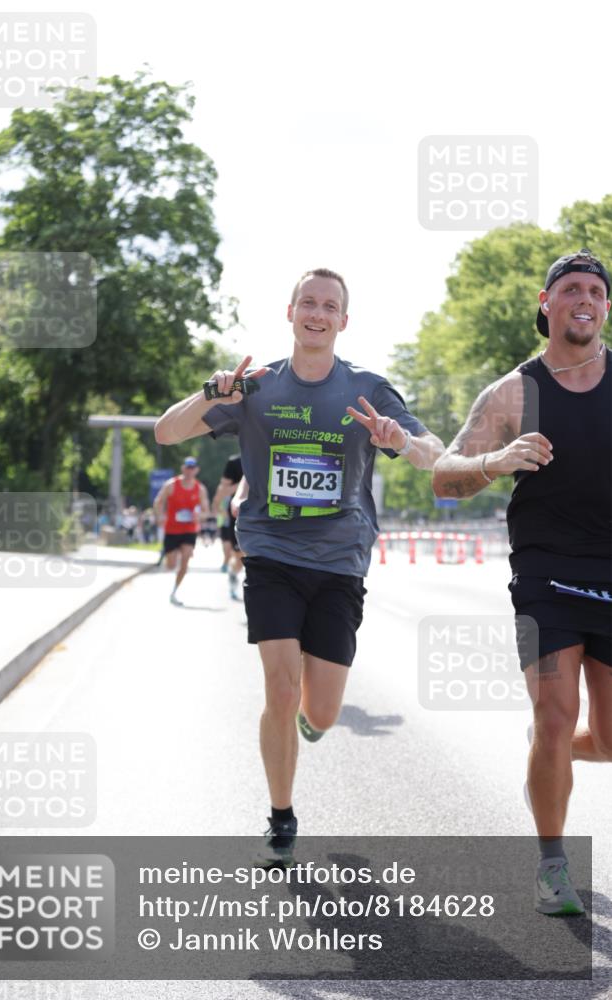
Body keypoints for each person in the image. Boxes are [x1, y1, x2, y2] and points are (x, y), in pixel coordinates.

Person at [155, 268, 444, 863]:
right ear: (290, 313)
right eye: (307, 302)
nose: (317, 313)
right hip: (271, 554)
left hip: (340, 561)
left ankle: (313, 721)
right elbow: (165, 432)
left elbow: (434, 455)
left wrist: (400, 440)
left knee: (322, 711)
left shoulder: (368, 388)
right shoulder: (254, 387)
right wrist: (211, 394)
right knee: (281, 689)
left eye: (329, 306)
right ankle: (281, 815)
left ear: (344, 321)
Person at [432, 248, 612, 916]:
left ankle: (547, 751)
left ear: (606, 307)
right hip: (545, 573)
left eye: (595, 290)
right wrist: (496, 459)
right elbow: (444, 476)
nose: (584, 299)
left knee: (605, 739)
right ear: (546, 303)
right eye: (570, 289)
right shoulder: (514, 392)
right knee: (556, 712)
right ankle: (552, 865)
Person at [153, 456, 210, 606]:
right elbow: (158, 501)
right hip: (172, 529)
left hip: (189, 529)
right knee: (171, 565)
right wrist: (159, 516)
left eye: (192, 468)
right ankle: (170, 555)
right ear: (183, 468)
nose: (189, 471)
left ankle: (174, 591)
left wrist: (199, 516)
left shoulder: (200, 489)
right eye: (187, 468)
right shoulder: (171, 485)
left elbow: (206, 512)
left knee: (185, 559)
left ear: (196, 470)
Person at [211, 453, 244, 599]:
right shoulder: (234, 462)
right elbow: (223, 490)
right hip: (238, 514)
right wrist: (245, 482)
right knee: (239, 556)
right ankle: (233, 572)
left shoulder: (268, 456)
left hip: (263, 513)